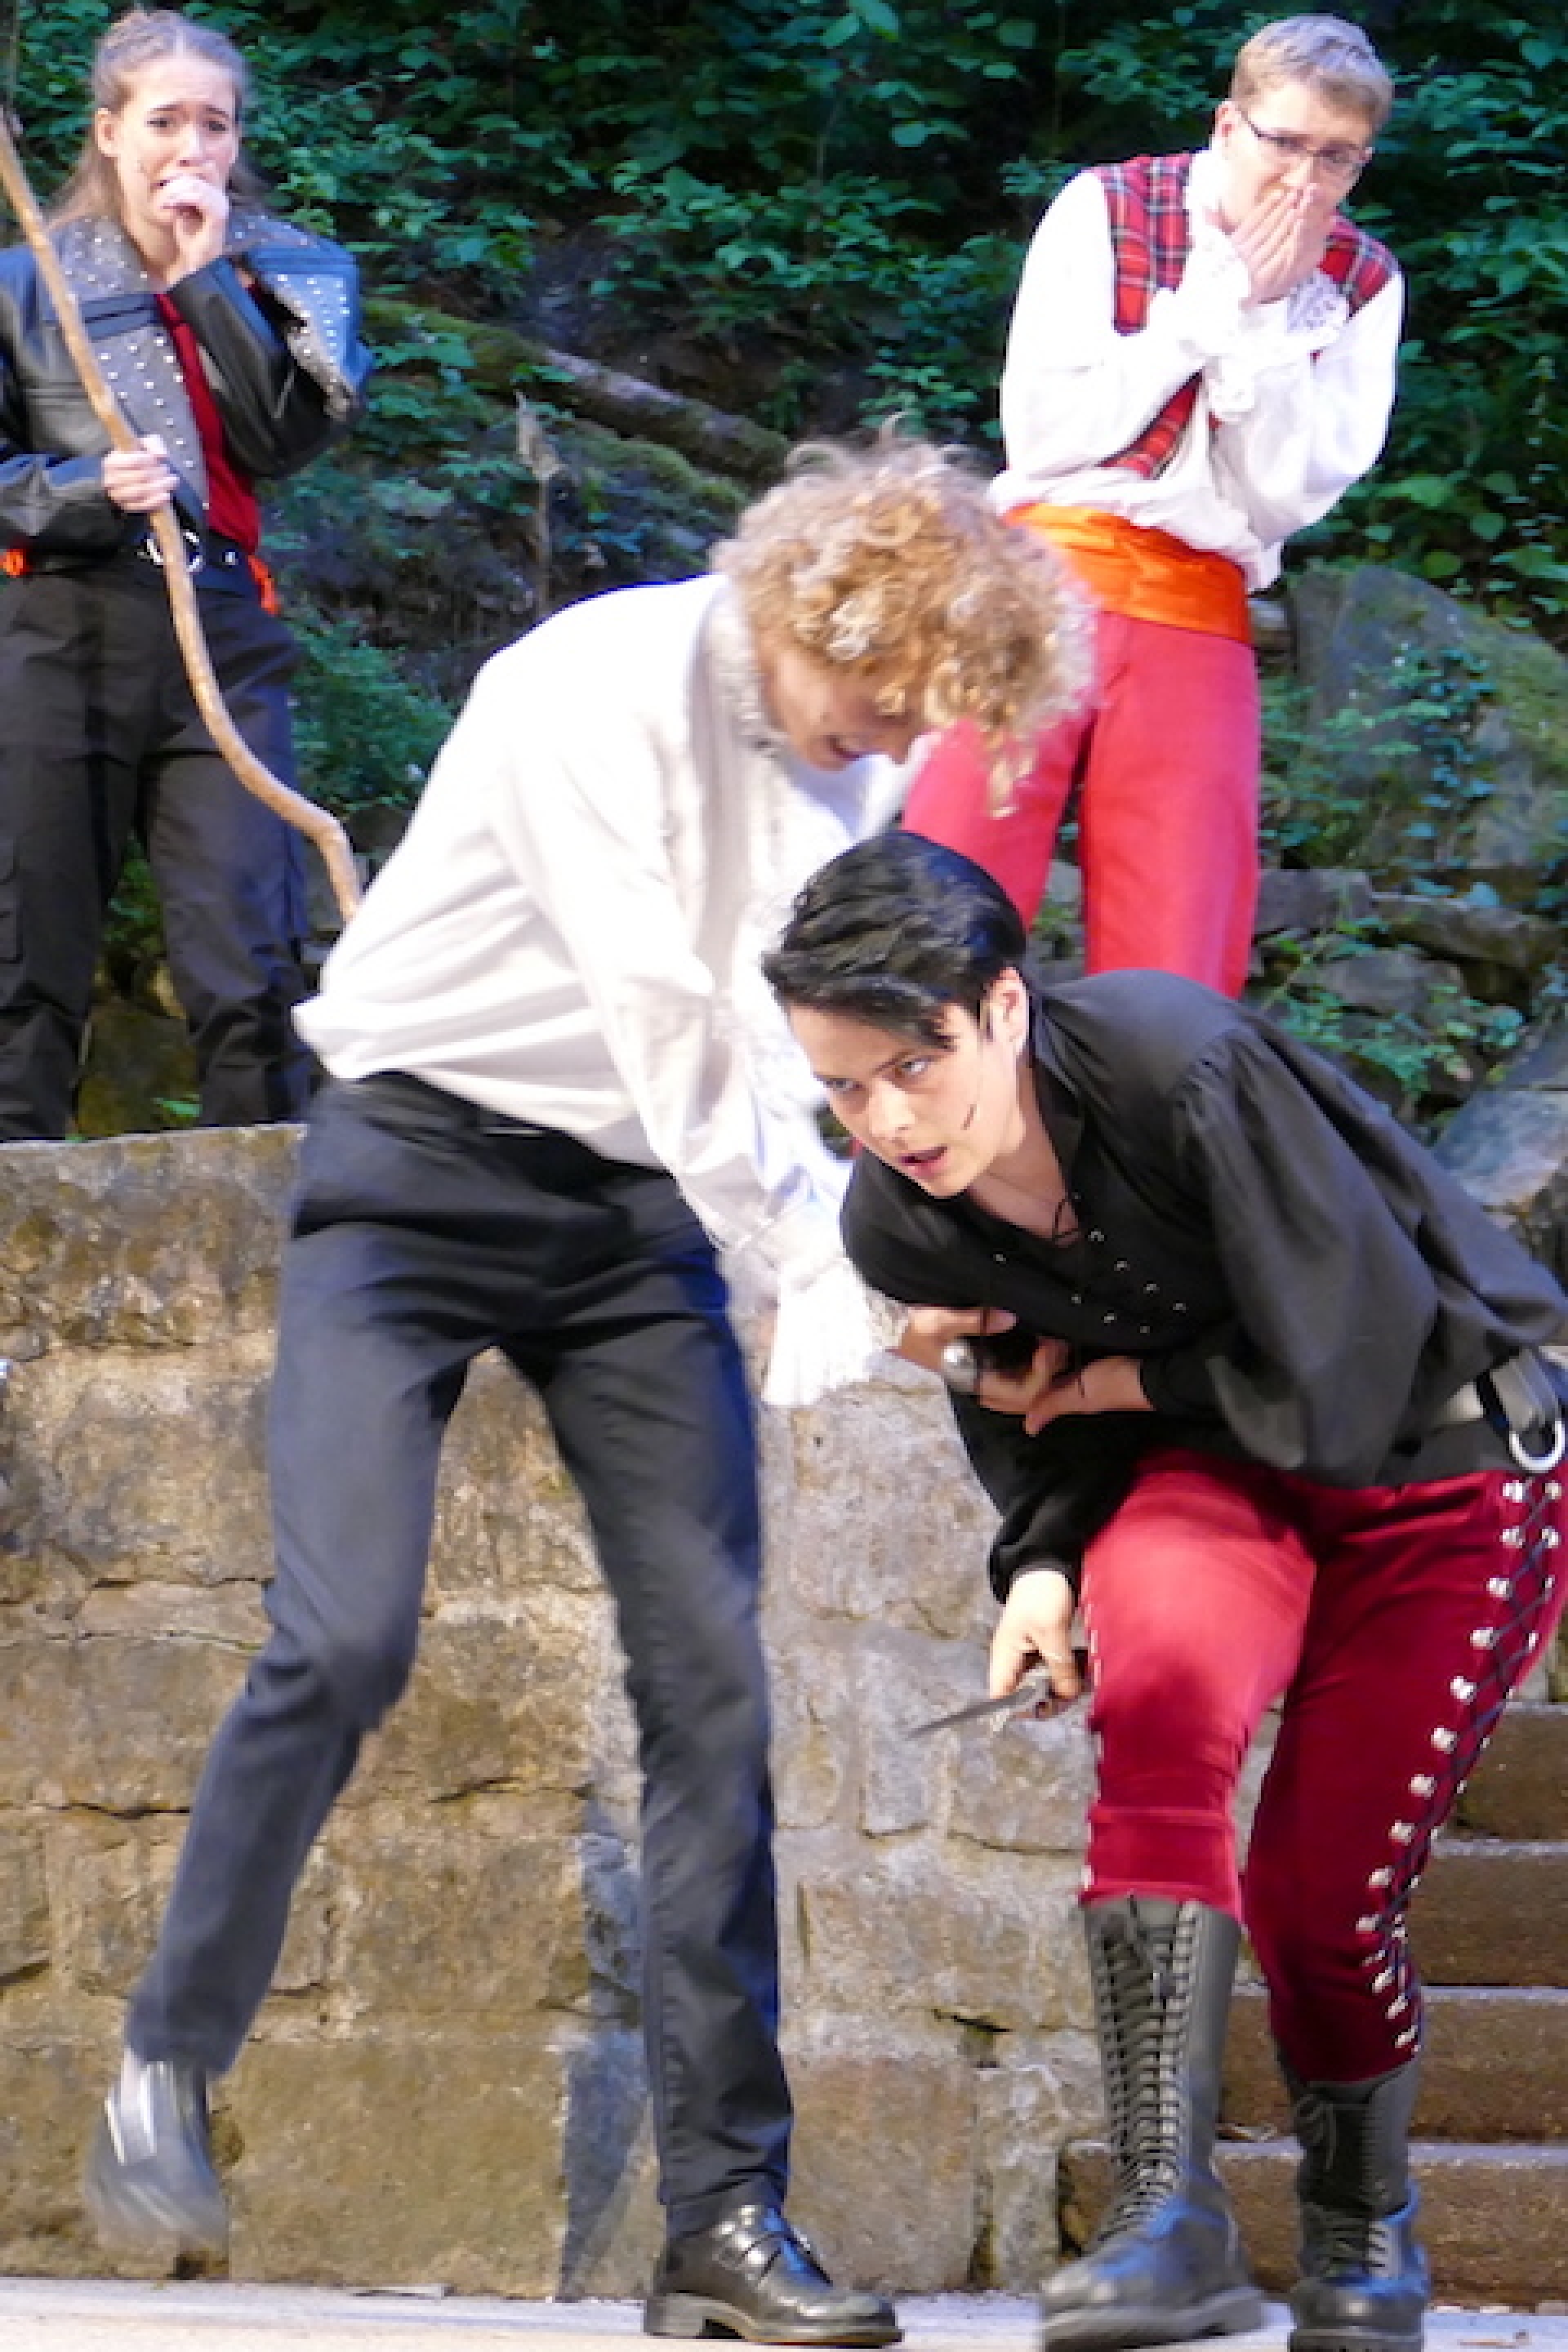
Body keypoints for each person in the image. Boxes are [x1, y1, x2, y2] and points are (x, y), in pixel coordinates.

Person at [82, 438, 1085, 2337]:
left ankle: (723, 2218)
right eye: (889, 696)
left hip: (629, 1227)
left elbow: (796, 1045)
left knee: (715, 1686)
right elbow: (671, 1014)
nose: (900, 740)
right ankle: (166, 2057)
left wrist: (906, 1262)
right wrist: (818, 1273)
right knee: (345, 1634)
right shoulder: (590, 687)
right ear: (815, 612)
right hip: (416, 1168)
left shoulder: (844, 749)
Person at [763, 830, 1568, 2352]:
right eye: (844, 1088)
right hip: (1220, 1476)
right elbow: (1027, 1417)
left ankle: (1362, 2216)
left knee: (1318, 1907)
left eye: (912, 1066)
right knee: (1168, 1705)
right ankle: (1165, 2215)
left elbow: (1346, 1364)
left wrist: (1116, 1379)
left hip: (1440, 1465)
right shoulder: (901, 1217)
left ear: (1003, 1006)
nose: (886, 1120)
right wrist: (1043, 1563)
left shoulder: (1178, 1066)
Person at [901, 14, 1402, 996]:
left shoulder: (1364, 281)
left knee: (1179, 948)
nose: (1303, 182)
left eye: (1336, 158)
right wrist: (1210, 310)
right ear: (1228, 124)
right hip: (1042, 576)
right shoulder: (1109, 205)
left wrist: (1270, 320)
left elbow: (1280, 497)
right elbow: (1049, 435)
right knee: (944, 900)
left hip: (1198, 600)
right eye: (1285, 143)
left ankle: (1144, 1107)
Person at [0, 6, 371, 1139]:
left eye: (216, 123)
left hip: (221, 626)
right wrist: (82, 487)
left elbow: (281, 441)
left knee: (249, 958)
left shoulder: (290, 269)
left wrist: (211, 280)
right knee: (26, 953)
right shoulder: (27, 282)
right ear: (110, 132)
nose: (193, 147)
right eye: (165, 121)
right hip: (56, 625)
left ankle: (263, 1218)